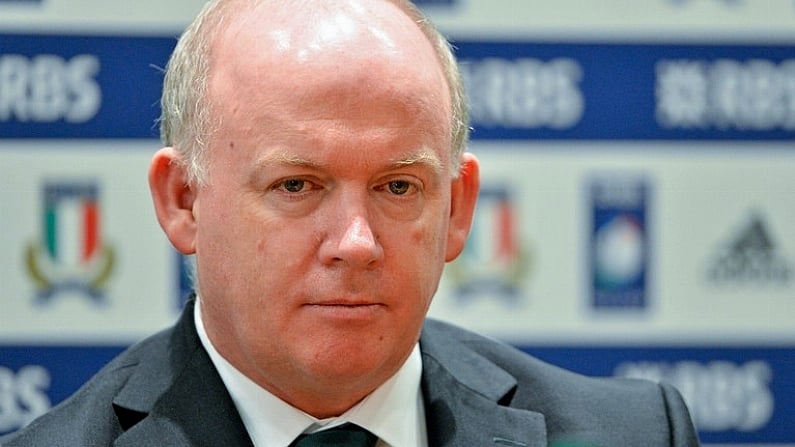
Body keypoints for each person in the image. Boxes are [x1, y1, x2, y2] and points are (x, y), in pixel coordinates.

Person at [2, 0, 701, 446]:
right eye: (297, 184)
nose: (357, 242)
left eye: (398, 185)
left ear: (457, 208)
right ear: (183, 200)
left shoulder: (631, 434)